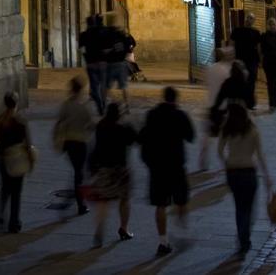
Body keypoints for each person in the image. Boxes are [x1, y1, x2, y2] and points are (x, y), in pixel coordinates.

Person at [138, 86, 195, 256]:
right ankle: (181, 227)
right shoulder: (180, 115)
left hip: (157, 167)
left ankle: (163, 241)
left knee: (160, 205)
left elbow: (143, 137)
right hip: (176, 165)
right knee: (181, 200)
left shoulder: (152, 114)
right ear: (175, 99)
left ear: (163, 97)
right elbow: (191, 137)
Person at [217, 103, 273, 255]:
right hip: (249, 172)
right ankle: (244, 238)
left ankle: (243, 239)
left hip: (233, 173)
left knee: (239, 207)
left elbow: (219, 151)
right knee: (249, 209)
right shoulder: (253, 130)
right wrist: (267, 176)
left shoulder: (227, 129)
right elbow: (260, 155)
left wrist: (226, 164)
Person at [88, 103, 138, 248]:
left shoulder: (100, 126)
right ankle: (124, 228)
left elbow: (96, 146)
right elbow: (135, 139)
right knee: (124, 199)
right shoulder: (123, 128)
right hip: (120, 169)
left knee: (103, 200)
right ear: (119, 114)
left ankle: (99, 230)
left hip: (103, 168)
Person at [0, 91, 33, 233]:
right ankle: (14, 222)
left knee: (5, 186)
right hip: (16, 157)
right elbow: (27, 143)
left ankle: (1, 212)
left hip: (2, 156)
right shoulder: (20, 120)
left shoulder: (0, 118)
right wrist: (31, 159)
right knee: (16, 191)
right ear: (16, 102)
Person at [53, 76, 94, 216]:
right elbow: (91, 125)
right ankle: (80, 203)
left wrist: (56, 139)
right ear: (81, 89)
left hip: (69, 143)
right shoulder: (84, 106)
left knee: (77, 171)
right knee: (79, 173)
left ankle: (75, 198)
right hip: (81, 143)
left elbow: (59, 123)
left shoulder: (66, 105)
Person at [199, 46, 234, 171]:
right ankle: (228, 162)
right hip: (223, 107)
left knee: (207, 135)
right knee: (228, 136)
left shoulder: (210, 69)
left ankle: (203, 161)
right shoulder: (226, 71)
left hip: (210, 105)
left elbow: (206, 84)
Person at [103, 15, 136, 109]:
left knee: (106, 86)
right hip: (121, 63)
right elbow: (129, 47)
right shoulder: (121, 34)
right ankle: (127, 106)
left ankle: (105, 105)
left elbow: (104, 50)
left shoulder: (106, 34)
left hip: (111, 64)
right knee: (124, 86)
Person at [79, 15, 110, 114]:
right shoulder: (102, 33)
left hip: (91, 64)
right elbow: (107, 48)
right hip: (102, 62)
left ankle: (99, 105)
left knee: (94, 87)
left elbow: (82, 49)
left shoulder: (83, 35)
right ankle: (104, 103)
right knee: (103, 85)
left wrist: (87, 58)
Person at [231, 14, 262, 109]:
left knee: (251, 82)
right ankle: (239, 102)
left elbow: (259, 47)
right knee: (239, 81)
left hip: (252, 60)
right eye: (248, 18)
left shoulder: (256, 32)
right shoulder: (237, 30)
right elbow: (231, 43)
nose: (249, 20)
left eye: (251, 18)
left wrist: (260, 60)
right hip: (240, 59)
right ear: (245, 19)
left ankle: (249, 103)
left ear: (254, 21)